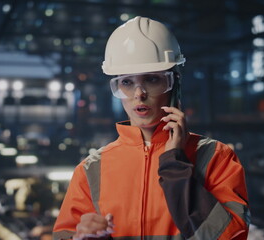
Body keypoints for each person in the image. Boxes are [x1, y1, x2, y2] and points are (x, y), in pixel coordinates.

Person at [53, 16, 250, 240]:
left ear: (173, 84)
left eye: (152, 80)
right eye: (127, 82)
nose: (139, 94)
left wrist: (175, 167)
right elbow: (64, 234)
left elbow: (232, 236)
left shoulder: (216, 158)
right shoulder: (91, 170)